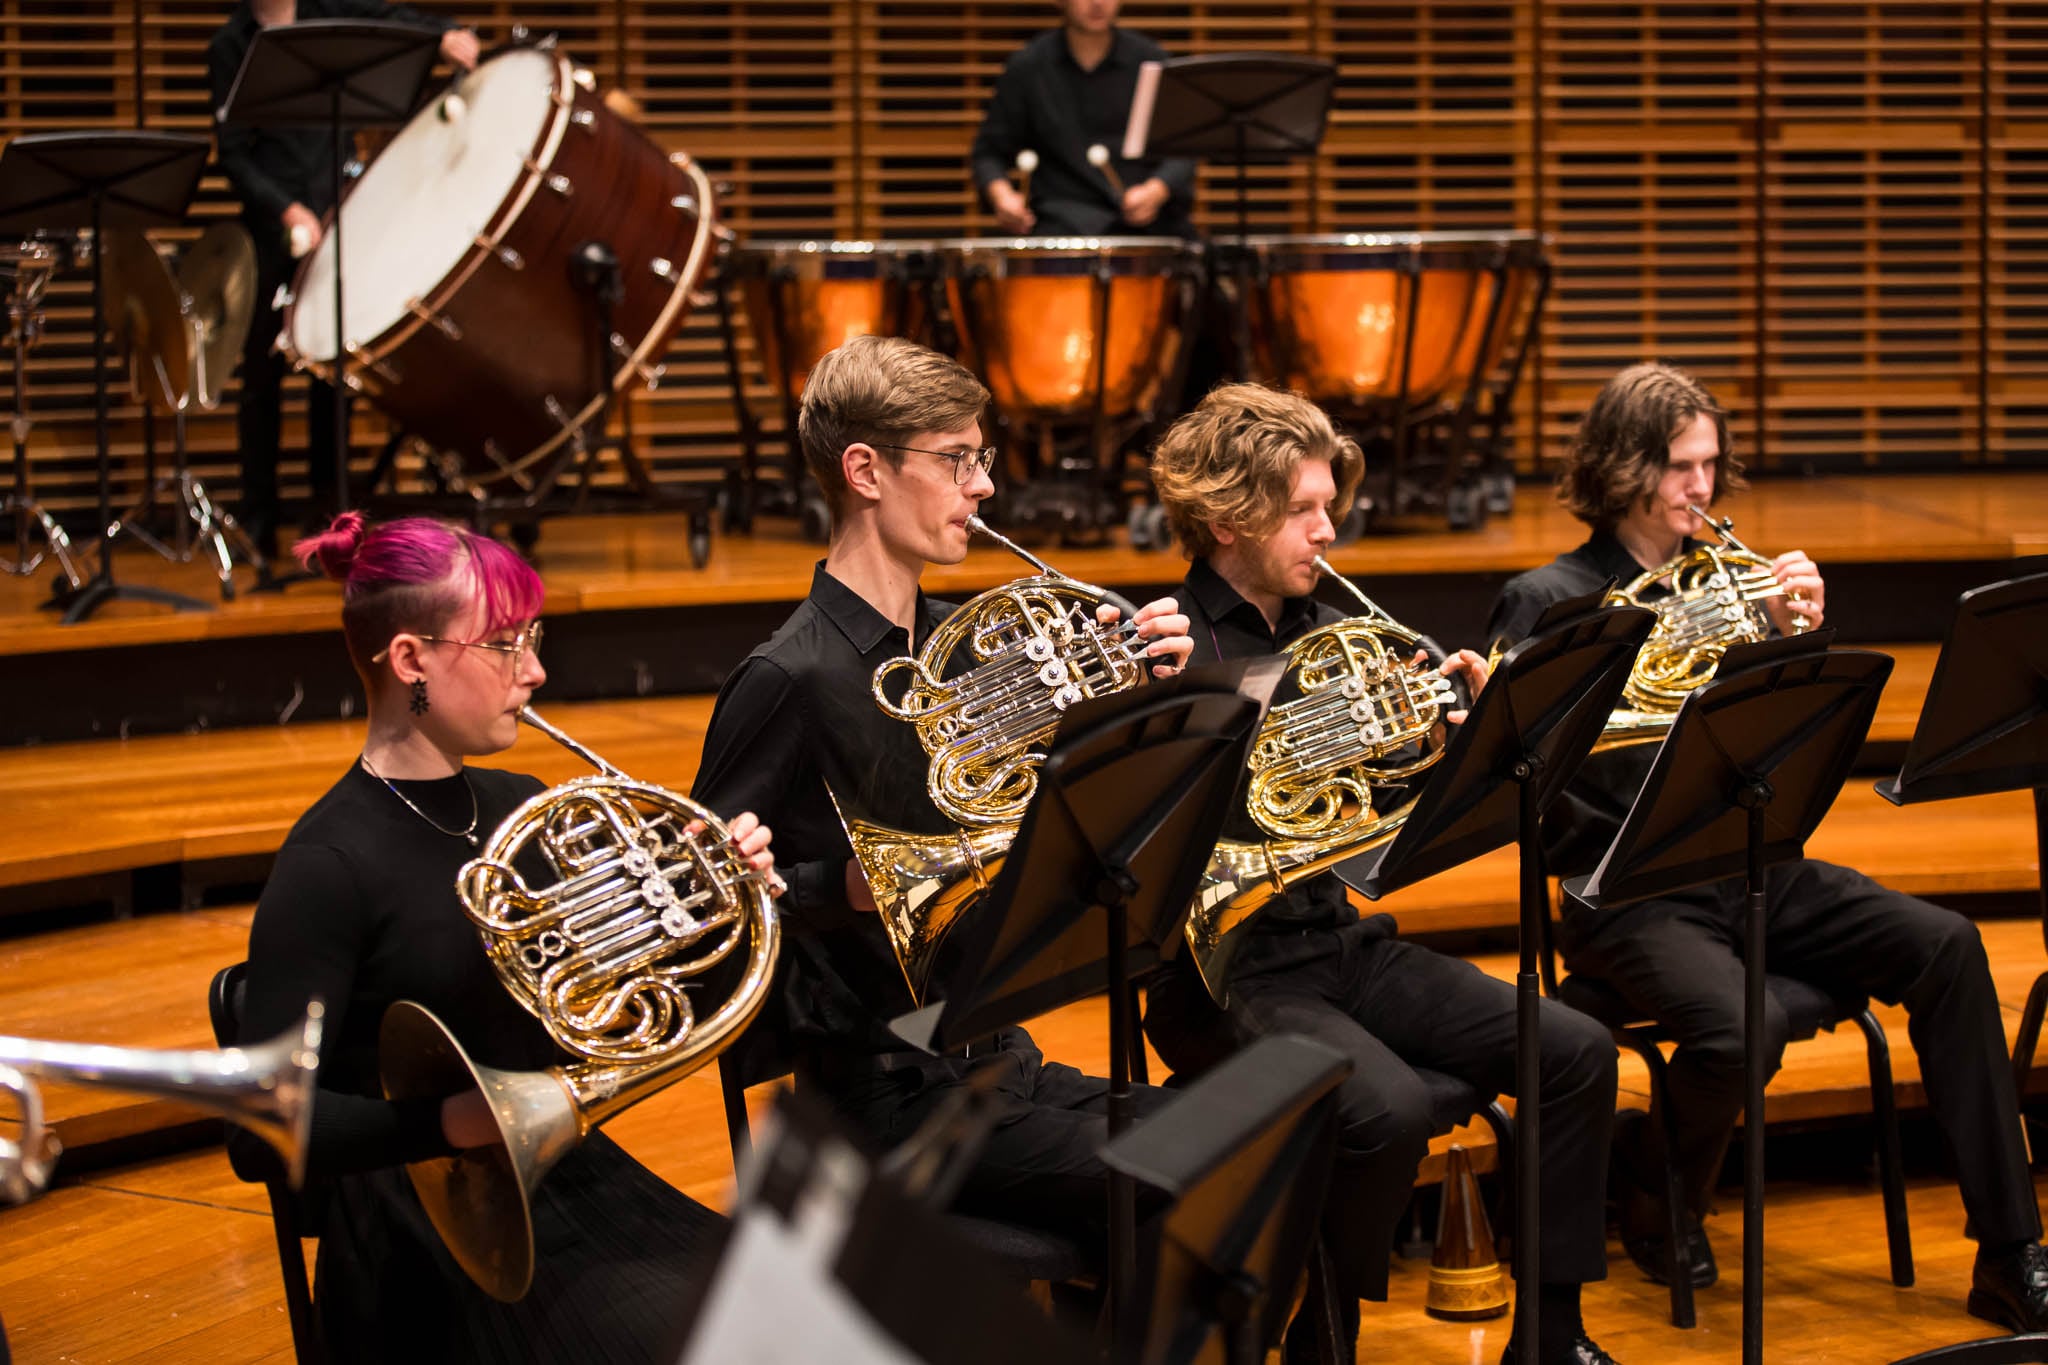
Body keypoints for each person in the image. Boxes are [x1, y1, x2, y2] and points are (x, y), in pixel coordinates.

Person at [1486, 360, 2048, 1332]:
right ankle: (1655, 1195)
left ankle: (2010, 1253)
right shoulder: (1547, 599)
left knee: (1948, 947)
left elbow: (1771, 745)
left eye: (1707, 464)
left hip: (1748, 862)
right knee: (1737, 1025)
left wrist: (1788, 639)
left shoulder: (1728, 582)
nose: (1699, 488)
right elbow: (1522, 796)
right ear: (1621, 468)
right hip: (1623, 887)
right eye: (1676, 466)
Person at [1142, 383, 1623, 1365]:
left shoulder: (1334, 629)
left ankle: (1552, 1334)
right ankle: (1320, 1342)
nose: (1330, 531)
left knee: (1574, 1050)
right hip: (1229, 974)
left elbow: (1390, 820)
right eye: (1304, 510)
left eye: (1330, 506)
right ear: (1230, 516)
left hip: (1340, 943)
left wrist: (1468, 740)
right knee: (1388, 1111)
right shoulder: (1162, 643)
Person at [692, 334, 1193, 1264]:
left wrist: (1140, 703)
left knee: (1241, 1135)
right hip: (880, 1097)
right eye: (957, 461)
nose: (984, 488)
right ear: (865, 471)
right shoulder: (785, 679)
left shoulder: (959, 650)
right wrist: (834, 887)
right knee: (1176, 1179)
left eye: (981, 459)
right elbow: (705, 914)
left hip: (997, 1053)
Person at [229, 513, 776, 1361]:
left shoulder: (520, 802)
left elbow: (633, 1012)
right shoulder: (328, 865)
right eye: (506, 645)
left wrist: (720, 910)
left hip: (569, 1182)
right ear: (410, 661)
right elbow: (258, 1129)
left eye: (535, 638)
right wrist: (451, 1122)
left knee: (808, 1311)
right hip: (423, 1240)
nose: (537, 670)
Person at [207, 2, 480, 558]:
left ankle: (330, 520)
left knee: (332, 378)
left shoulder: (325, 16)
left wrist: (443, 32)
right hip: (274, 229)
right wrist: (286, 210)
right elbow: (233, 156)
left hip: (338, 218)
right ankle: (258, 520)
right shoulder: (230, 45)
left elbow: (383, 17)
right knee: (262, 379)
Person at [970, 0, 1195, 238]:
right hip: (1057, 225)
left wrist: (1156, 190)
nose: (1097, 3)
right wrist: (1003, 197)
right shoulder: (1028, 67)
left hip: (1146, 225)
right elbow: (989, 152)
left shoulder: (1151, 62)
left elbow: (1183, 147)